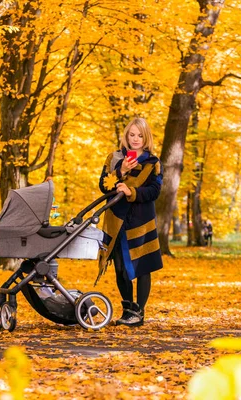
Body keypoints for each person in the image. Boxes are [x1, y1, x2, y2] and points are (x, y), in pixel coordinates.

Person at [96, 117, 163, 327]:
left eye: (140, 135)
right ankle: (127, 311)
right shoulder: (113, 158)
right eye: (131, 135)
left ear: (146, 138)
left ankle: (139, 313)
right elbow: (103, 186)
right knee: (120, 267)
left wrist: (131, 191)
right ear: (125, 136)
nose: (135, 139)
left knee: (143, 266)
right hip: (116, 220)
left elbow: (154, 191)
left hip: (141, 221)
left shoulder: (153, 163)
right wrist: (121, 171)